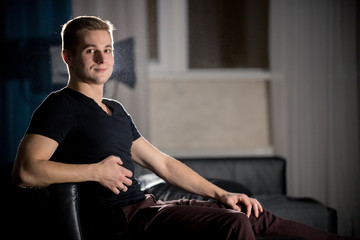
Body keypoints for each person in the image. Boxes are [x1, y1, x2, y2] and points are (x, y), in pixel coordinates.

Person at [12, 16, 354, 240]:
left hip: (146, 207)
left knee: (246, 212)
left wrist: (221, 194)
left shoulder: (115, 110)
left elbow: (163, 165)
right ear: (68, 56)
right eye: (91, 51)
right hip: (120, 222)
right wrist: (94, 172)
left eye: (108, 50)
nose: (103, 59)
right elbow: (26, 171)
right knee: (233, 226)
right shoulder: (60, 106)